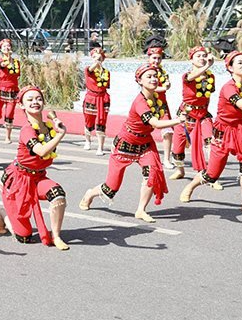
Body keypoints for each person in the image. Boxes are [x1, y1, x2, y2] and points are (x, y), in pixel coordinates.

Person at [79, 64, 189, 223]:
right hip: (126, 143)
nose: (153, 79)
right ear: (140, 81)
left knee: (152, 173)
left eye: (154, 75)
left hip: (145, 143)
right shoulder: (140, 102)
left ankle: (141, 210)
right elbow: (156, 123)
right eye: (149, 76)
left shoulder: (157, 100)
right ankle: (90, 194)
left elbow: (163, 119)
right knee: (111, 187)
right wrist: (178, 120)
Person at [179, 51, 242, 215]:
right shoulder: (228, 88)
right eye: (240, 63)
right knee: (212, 174)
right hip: (224, 131)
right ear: (230, 68)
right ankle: (191, 186)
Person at [0, 87, 70, 250]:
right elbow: (42, 151)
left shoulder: (49, 127)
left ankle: (56, 236)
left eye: (38, 98)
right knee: (24, 237)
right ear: (21, 105)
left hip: (38, 178)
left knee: (58, 195)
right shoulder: (27, 130)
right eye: (30, 100)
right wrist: (60, 135)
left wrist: (55, 132)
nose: (35, 102)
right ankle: (4, 214)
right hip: (19, 181)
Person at [168, 45, 216, 181]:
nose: (202, 58)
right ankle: (180, 171)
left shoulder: (210, 77)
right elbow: (192, 77)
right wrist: (207, 66)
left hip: (203, 115)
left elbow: (208, 95)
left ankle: (212, 175)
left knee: (210, 142)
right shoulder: (187, 76)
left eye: (204, 55)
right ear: (192, 60)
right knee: (177, 148)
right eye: (198, 56)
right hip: (186, 115)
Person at [0, 38, 21, 143]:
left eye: (8, 46)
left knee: (10, 113)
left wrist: (11, 59)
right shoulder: (0, 61)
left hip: (13, 89)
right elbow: (3, 65)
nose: (7, 48)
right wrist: (8, 58)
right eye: (4, 46)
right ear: (1, 49)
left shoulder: (16, 62)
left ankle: (8, 137)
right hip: (2, 88)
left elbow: (17, 74)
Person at [145, 45, 173, 162]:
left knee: (168, 131)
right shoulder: (145, 71)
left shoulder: (162, 72)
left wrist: (167, 85)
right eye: (154, 58)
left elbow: (166, 84)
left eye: (159, 58)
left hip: (161, 104)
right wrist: (163, 88)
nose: (156, 61)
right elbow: (147, 88)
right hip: (148, 104)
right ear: (149, 58)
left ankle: (166, 159)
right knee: (140, 132)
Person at [81, 47, 111, 154]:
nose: (97, 59)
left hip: (102, 98)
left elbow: (106, 86)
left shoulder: (106, 73)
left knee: (101, 122)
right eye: (94, 57)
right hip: (91, 98)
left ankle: (100, 147)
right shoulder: (88, 69)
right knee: (89, 121)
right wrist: (96, 62)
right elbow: (91, 69)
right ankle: (88, 140)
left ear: (103, 59)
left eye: (99, 57)